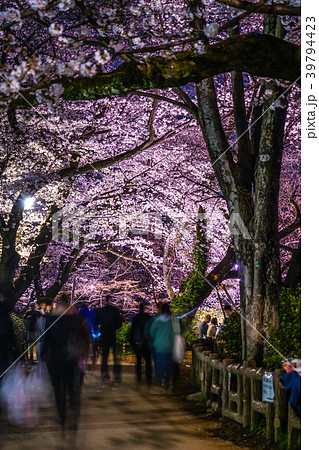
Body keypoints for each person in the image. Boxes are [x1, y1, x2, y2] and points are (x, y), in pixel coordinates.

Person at [43, 292, 90, 434]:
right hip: (72, 359)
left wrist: (43, 359)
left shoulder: (50, 320)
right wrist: (86, 354)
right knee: (72, 389)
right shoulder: (76, 319)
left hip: (56, 360)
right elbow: (85, 338)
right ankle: (74, 417)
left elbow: (46, 343)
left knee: (58, 389)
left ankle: (62, 416)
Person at [148, 303, 182, 389]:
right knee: (171, 364)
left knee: (161, 364)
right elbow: (181, 330)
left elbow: (151, 332)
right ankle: (170, 380)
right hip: (171, 346)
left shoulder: (157, 321)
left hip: (159, 347)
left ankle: (162, 379)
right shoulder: (174, 320)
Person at [94, 294, 122, 385]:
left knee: (104, 355)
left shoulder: (102, 311)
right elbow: (119, 323)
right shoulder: (115, 311)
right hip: (112, 334)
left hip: (105, 334)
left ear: (105, 300)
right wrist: (114, 327)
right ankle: (116, 374)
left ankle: (105, 374)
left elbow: (96, 321)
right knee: (115, 355)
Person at [130, 303, 152, 387]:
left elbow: (132, 331)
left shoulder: (136, 318)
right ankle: (148, 378)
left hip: (138, 342)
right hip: (147, 342)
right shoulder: (148, 318)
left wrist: (132, 342)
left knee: (138, 361)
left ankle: (139, 379)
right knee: (148, 361)